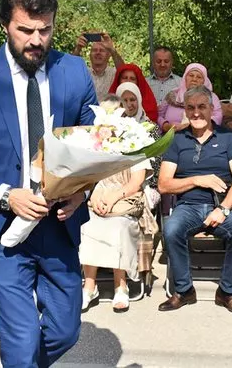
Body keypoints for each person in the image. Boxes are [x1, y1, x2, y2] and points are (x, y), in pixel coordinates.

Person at [0, 0, 97, 367]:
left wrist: (82, 190)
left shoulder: (74, 72)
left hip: (59, 225)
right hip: (2, 231)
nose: (37, 40)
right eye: (25, 30)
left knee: (65, 332)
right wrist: (6, 195)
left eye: (45, 29)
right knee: (21, 345)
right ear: (3, 23)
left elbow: (95, 145)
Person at [157, 85, 232, 314]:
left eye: (201, 107)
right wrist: (198, 180)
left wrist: (223, 209)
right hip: (187, 206)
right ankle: (184, 290)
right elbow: (163, 184)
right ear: (185, 111)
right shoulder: (177, 140)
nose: (196, 112)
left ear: (211, 109)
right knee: (171, 230)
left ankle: (226, 292)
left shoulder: (229, 138)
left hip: (221, 205)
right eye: (190, 108)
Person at [80, 90, 155, 314]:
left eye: (114, 113)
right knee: (87, 224)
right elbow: (86, 178)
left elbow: (136, 181)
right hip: (97, 198)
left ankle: (120, 286)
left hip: (126, 200)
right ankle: (89, 287)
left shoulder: (135, 139)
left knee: (118, 226)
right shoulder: (92, 142)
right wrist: (96, 197)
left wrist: (113, 197)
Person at [158, 63, 223, 133]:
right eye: (191, 75)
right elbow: (158, 115)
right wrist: (165, 125)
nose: (194, 79)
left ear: (204, 81)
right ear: (185, 78)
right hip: (171, 135)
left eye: (199, 77)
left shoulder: (211, 97)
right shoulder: (173, 95)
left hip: (200, 135)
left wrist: (191, 126)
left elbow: (217, 117)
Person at [73, 32, 124, 97]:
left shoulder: (114, 73)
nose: (98, 53)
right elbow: (69, 70)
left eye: (102, 50)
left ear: (109, 55)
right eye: (94, 50)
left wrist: (112, 50)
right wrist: (78, 49)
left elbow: (124, 72)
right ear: (90, 55)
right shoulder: (83, 73)